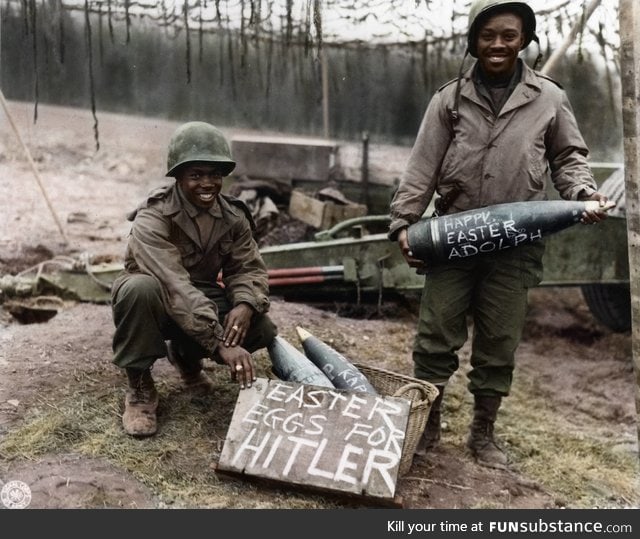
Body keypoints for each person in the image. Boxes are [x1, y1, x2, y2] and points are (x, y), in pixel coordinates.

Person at [388, 0, 610, 469]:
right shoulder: (448, 99)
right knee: (435, 336)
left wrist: (581, 193)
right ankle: (427, 427)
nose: (498, 45)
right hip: (454, 236)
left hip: (518, 242)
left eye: (509, 35)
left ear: (524, 40)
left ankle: (483, 434)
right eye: (488, 35)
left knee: (499, 341)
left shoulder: (548, 97)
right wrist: (404, 223)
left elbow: (568, 157)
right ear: (474, 41)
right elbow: (421, 166)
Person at [111, 121, 278, 438]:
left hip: (195, 299)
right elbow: (172, 283)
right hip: (157, 298)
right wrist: (218, 342)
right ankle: (139, 387)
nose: (207, 183)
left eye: (215, 174)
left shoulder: (232, 216)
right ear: (177, 177)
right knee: (138, 289)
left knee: (262, 327)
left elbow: (247, 267)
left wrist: (244, 304)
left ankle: (186, 357)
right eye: (196, 175)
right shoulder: (153, 216)